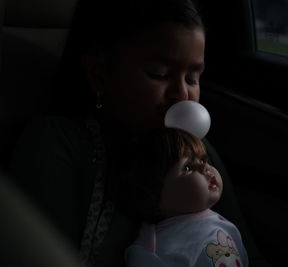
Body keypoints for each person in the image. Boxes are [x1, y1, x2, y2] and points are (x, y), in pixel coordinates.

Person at [11, 0, 267, 266]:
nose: (182, 95)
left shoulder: (195, 153)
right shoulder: (57, 144)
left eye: (192, 79)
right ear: (99, 74)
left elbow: (248, 255)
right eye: (159, 74)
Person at [116, 127, 248, 267]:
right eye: (187, 168)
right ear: (155, 194)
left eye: (203, 159)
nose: (205, 167)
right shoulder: (153, 247)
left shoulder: (223, 224)